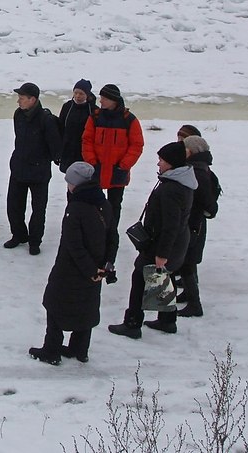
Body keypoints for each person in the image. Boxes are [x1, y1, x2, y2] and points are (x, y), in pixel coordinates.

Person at [107, 142, 196, 340]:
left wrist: (162, 254)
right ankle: (167, 320)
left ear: (172, 164)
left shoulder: (171, 189)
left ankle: (132, 324)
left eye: (162, 160)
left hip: (162, 245)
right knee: (164, 277)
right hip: (175, 244)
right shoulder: (181, 182)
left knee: (140, 278)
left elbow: (170, 226)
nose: (158, 163)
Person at [30, 162, 108, 365]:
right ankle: (80, 349)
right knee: (87, 306)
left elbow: (74, 245)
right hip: (97, 268)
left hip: (71, 270)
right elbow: (113, 237)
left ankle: (51, 351)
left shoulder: (75, 209)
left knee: (54, 305)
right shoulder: (103, 204)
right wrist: (104, 266)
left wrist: (90, 269)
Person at [81, 83, 144, 281]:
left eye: (104, 98)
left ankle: (110, 244)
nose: (101, 101)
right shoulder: (95, 117)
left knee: (114, 210)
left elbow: (137, 145)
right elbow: (87, 140)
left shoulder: (129, 120)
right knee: (94, 207)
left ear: (114, 100)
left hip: (117, 174)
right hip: (97, 171)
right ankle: (94, 237)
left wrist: (123, 165)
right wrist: (92, 162)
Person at [4, 82, 62, 255]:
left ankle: (34, 242)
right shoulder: (18, 115)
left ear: (33, 99)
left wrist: (46, 160)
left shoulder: (46, 119)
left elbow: (55, 147)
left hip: (39, 173)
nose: (18, 102)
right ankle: (19, 235)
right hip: (18, 169)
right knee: (13, 206)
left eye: (21, 98)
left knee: (38, 210)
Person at [176, 134, 220, 319]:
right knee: (190, 261)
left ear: (191, 151)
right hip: (196, 223)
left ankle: (195, 304)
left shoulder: (197, 173)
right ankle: (188, 293)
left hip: (193, 224)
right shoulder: (204, 169)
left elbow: (208, 204)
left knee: (187, 262)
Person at [57, 79, 95, 171]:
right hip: (68, 150)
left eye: (81, 94)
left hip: (84, 151)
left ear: (87, 95)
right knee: (70, 178)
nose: (77, 96)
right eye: (76, 93)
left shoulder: (93, 109)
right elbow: (60, 128)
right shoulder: (67, 106)